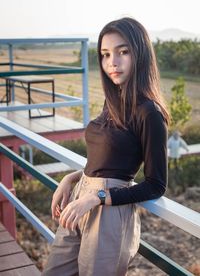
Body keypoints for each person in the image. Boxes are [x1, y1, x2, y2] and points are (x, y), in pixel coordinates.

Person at [42, 17, 169, 276]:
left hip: (108, 212)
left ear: (140, 54)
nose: (112, 62)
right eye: (105, 54)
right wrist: (72, 178)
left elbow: (156, 184)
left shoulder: (149, 113)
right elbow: (105, 160)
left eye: (123, 52)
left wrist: (96, 197)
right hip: (80, 198)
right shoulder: (112, 100)